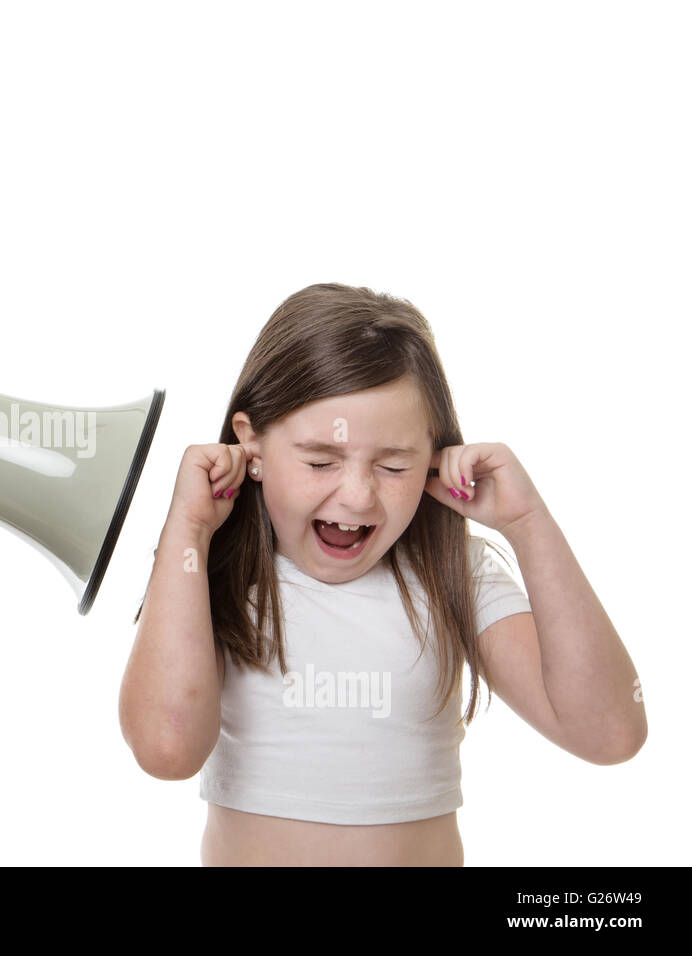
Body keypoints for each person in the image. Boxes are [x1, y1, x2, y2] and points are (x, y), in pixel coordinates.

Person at [118, 282, 646, 866]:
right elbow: (166, 750)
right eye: (320, 460)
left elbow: (610, 734)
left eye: (394, 465)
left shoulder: (457, 575)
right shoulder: (207, 575)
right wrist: (187, 532)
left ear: (435, 460)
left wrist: (526, 523)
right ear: (252, 445)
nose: (357, 496)